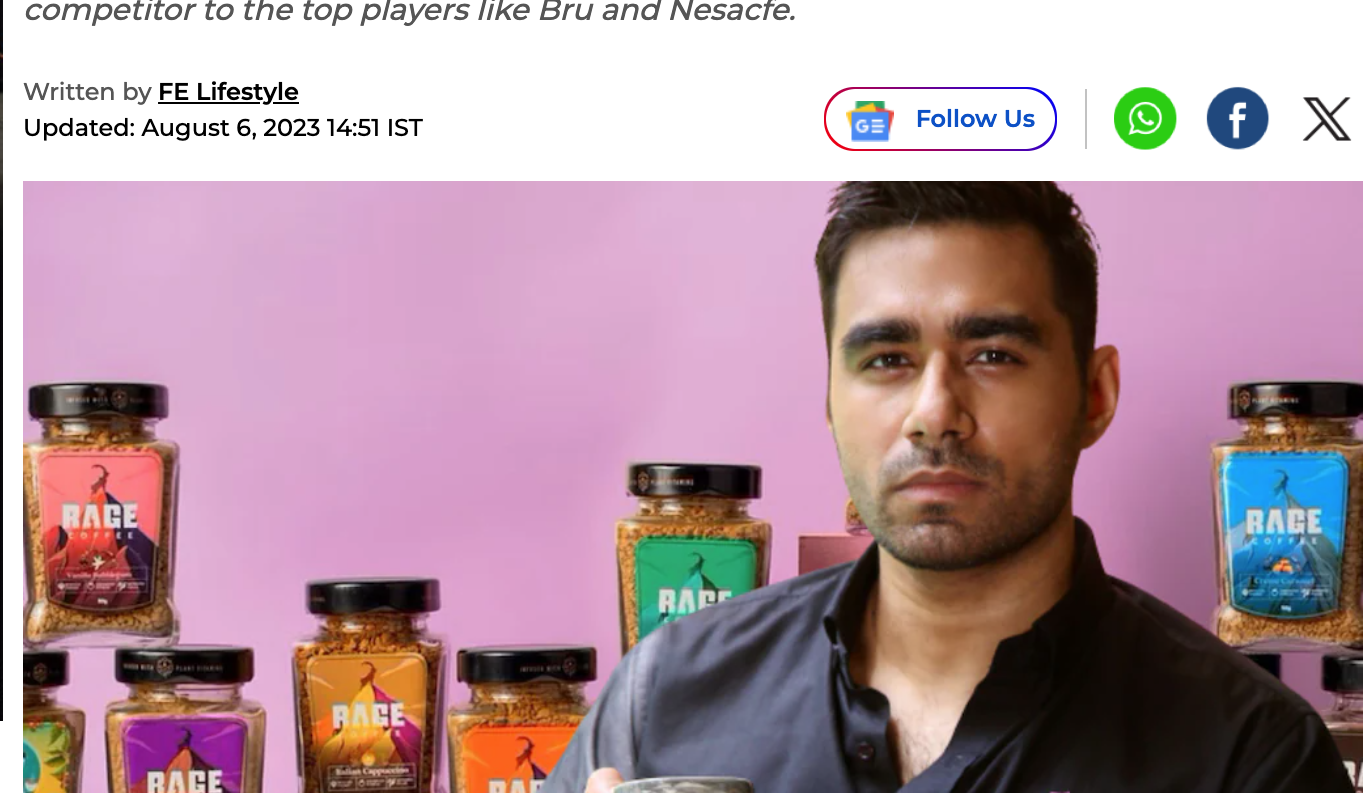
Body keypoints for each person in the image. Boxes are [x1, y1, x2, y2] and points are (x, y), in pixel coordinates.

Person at [544, 182, 1351, 793]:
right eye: (886, 360)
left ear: (1094, 395)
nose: (934, 414)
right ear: (830, 398)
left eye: (994, 354)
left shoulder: (1251, 753)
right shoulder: (666, 696)